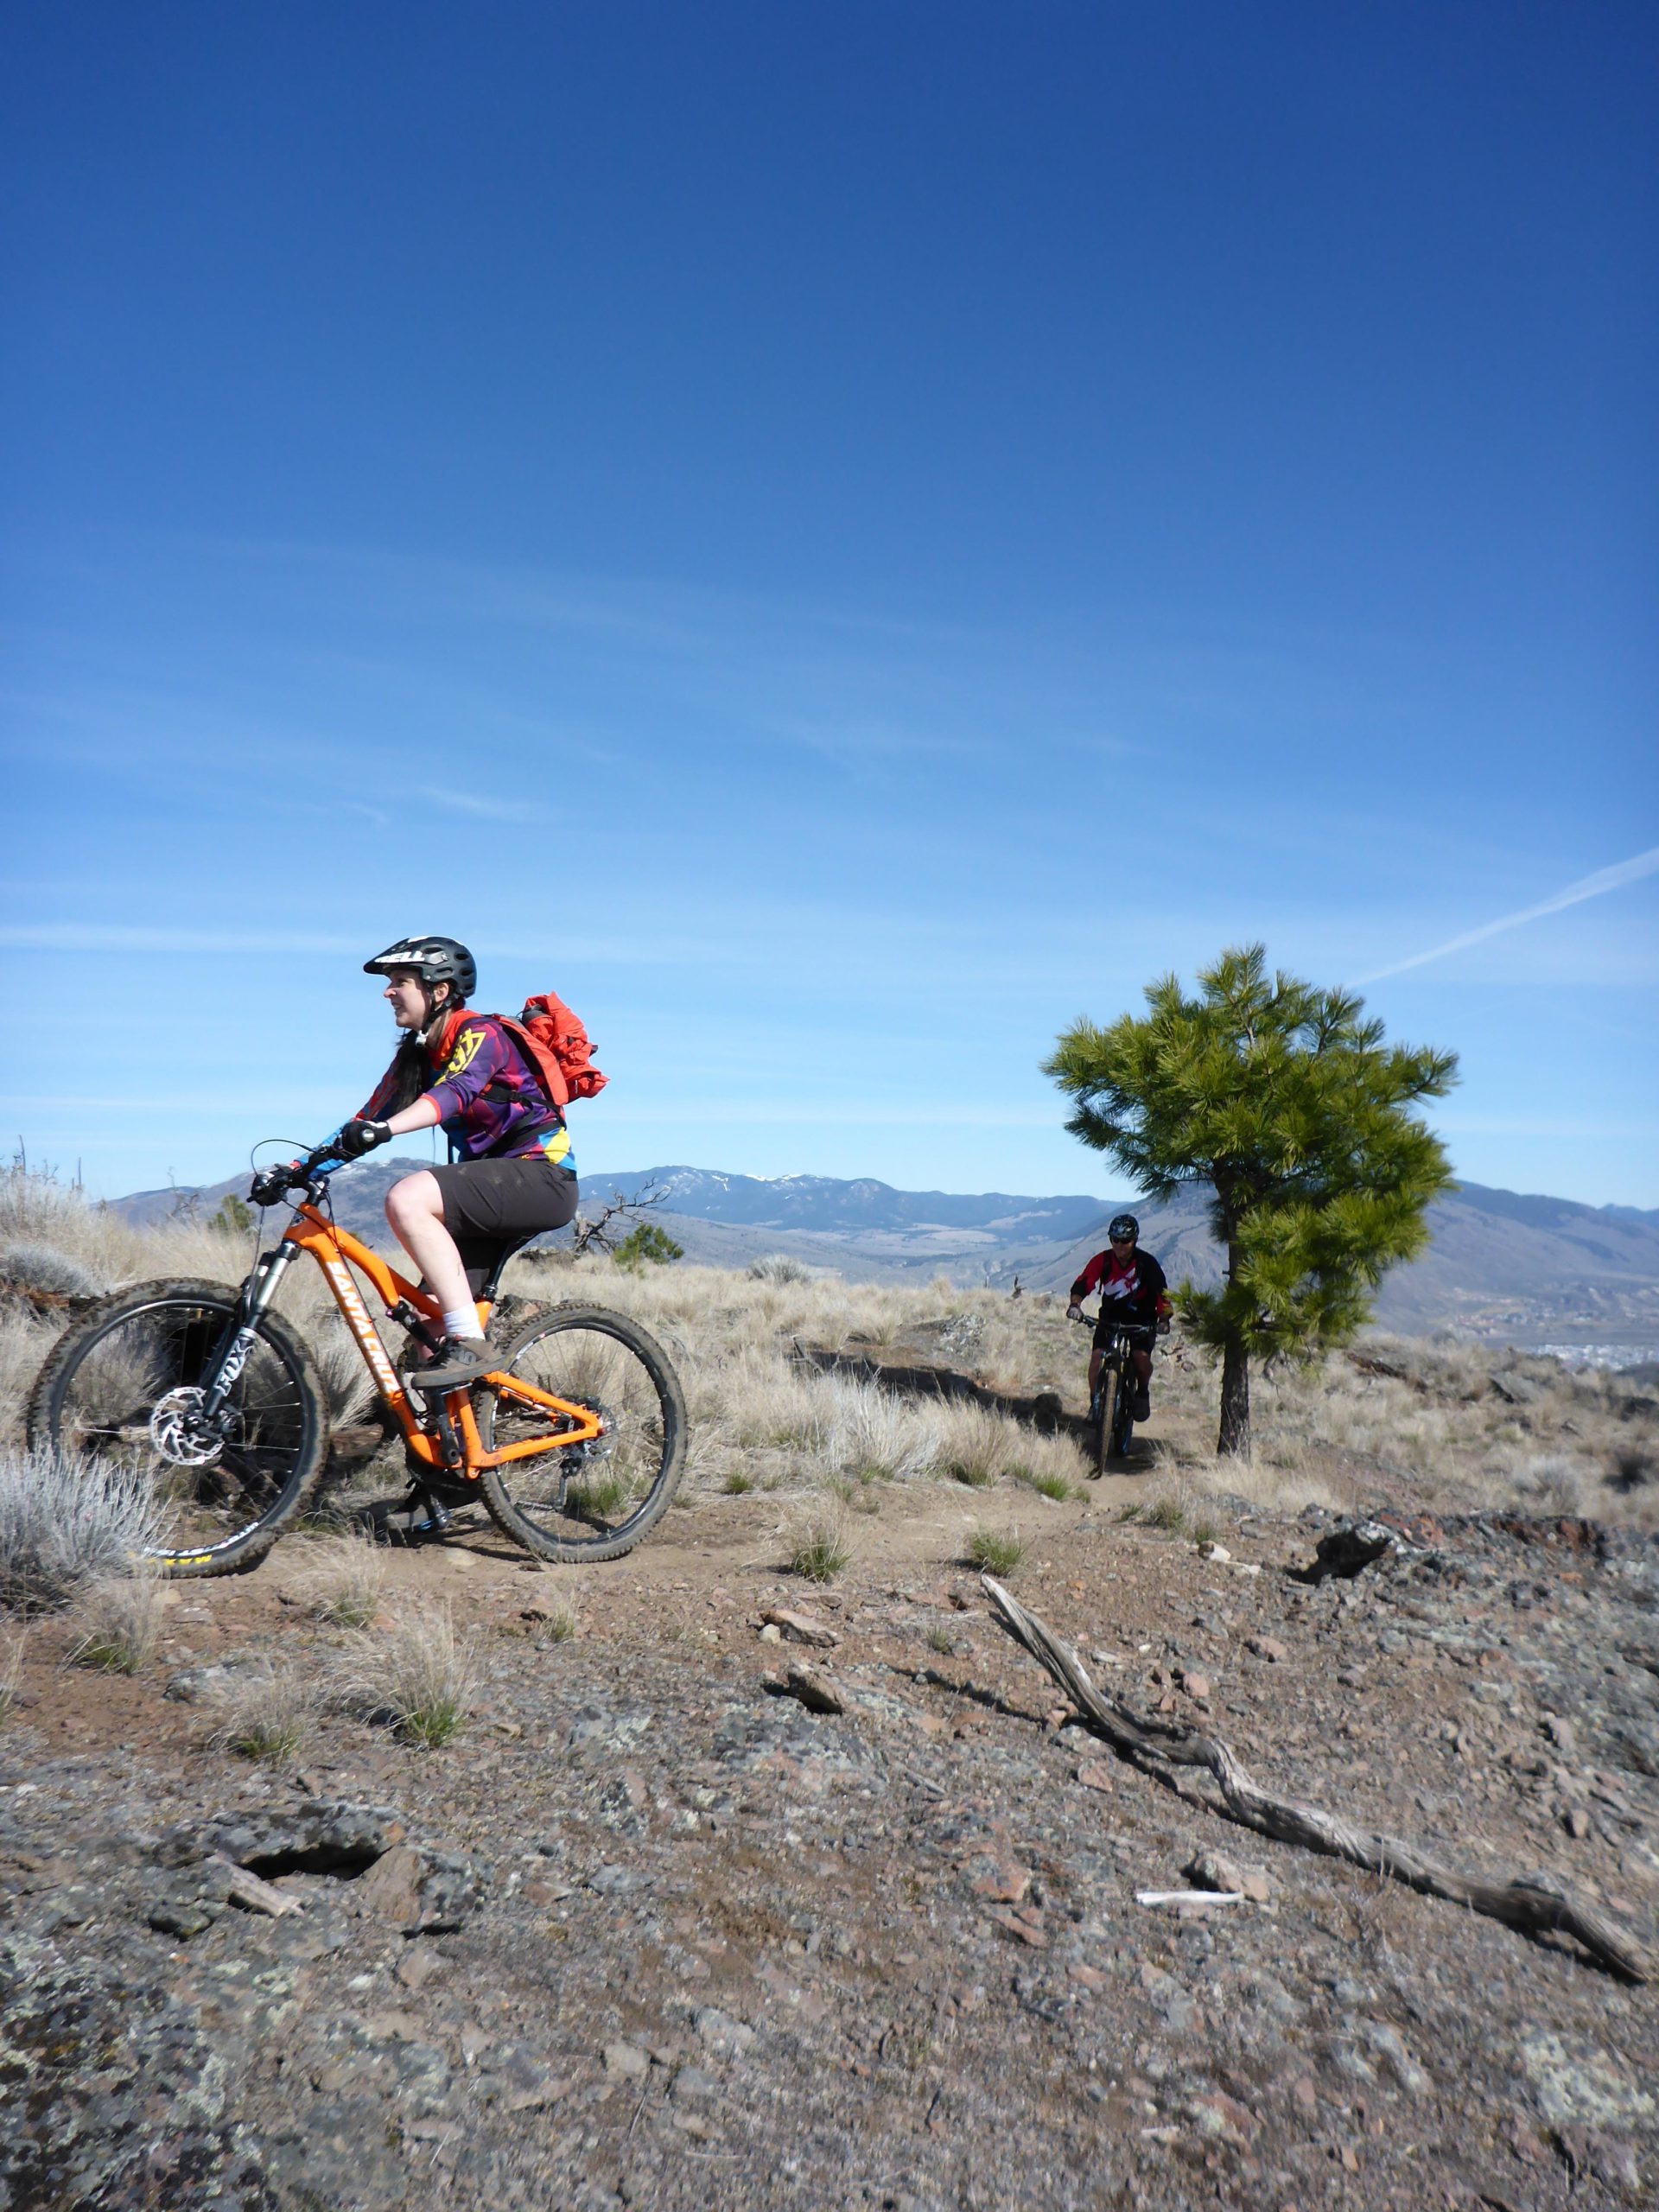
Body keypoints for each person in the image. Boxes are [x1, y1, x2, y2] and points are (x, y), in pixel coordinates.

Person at [332, 936, 580, 1391]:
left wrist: (386, 1132)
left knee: (408, 1198)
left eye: (400, 982)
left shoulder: (481, 1033)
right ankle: (460, 1448)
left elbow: (457, 1092)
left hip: (541, 1176)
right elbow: (366, 1119)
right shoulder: (418, 1055)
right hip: (492, 1190)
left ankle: (471, 1341)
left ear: (439, 991)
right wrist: (299, 1168)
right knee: (428, 1334)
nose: (388, 992)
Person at [1065, 1212, 1170, 1423]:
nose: (1120, 1245)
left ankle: (1142, 1392)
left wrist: (1164, 1320)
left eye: (1125, 1241)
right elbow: (1084, 1282)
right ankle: (1095, 1403)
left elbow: (1163, 1295)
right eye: (1115, 1240)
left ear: (1135, 1240)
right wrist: (1075, 1305)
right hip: (1110, 1318)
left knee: (1140, 1359)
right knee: (1097, 1358)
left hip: (1142, 1320)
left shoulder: (1147, 1264)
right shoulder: (1102, 1260)